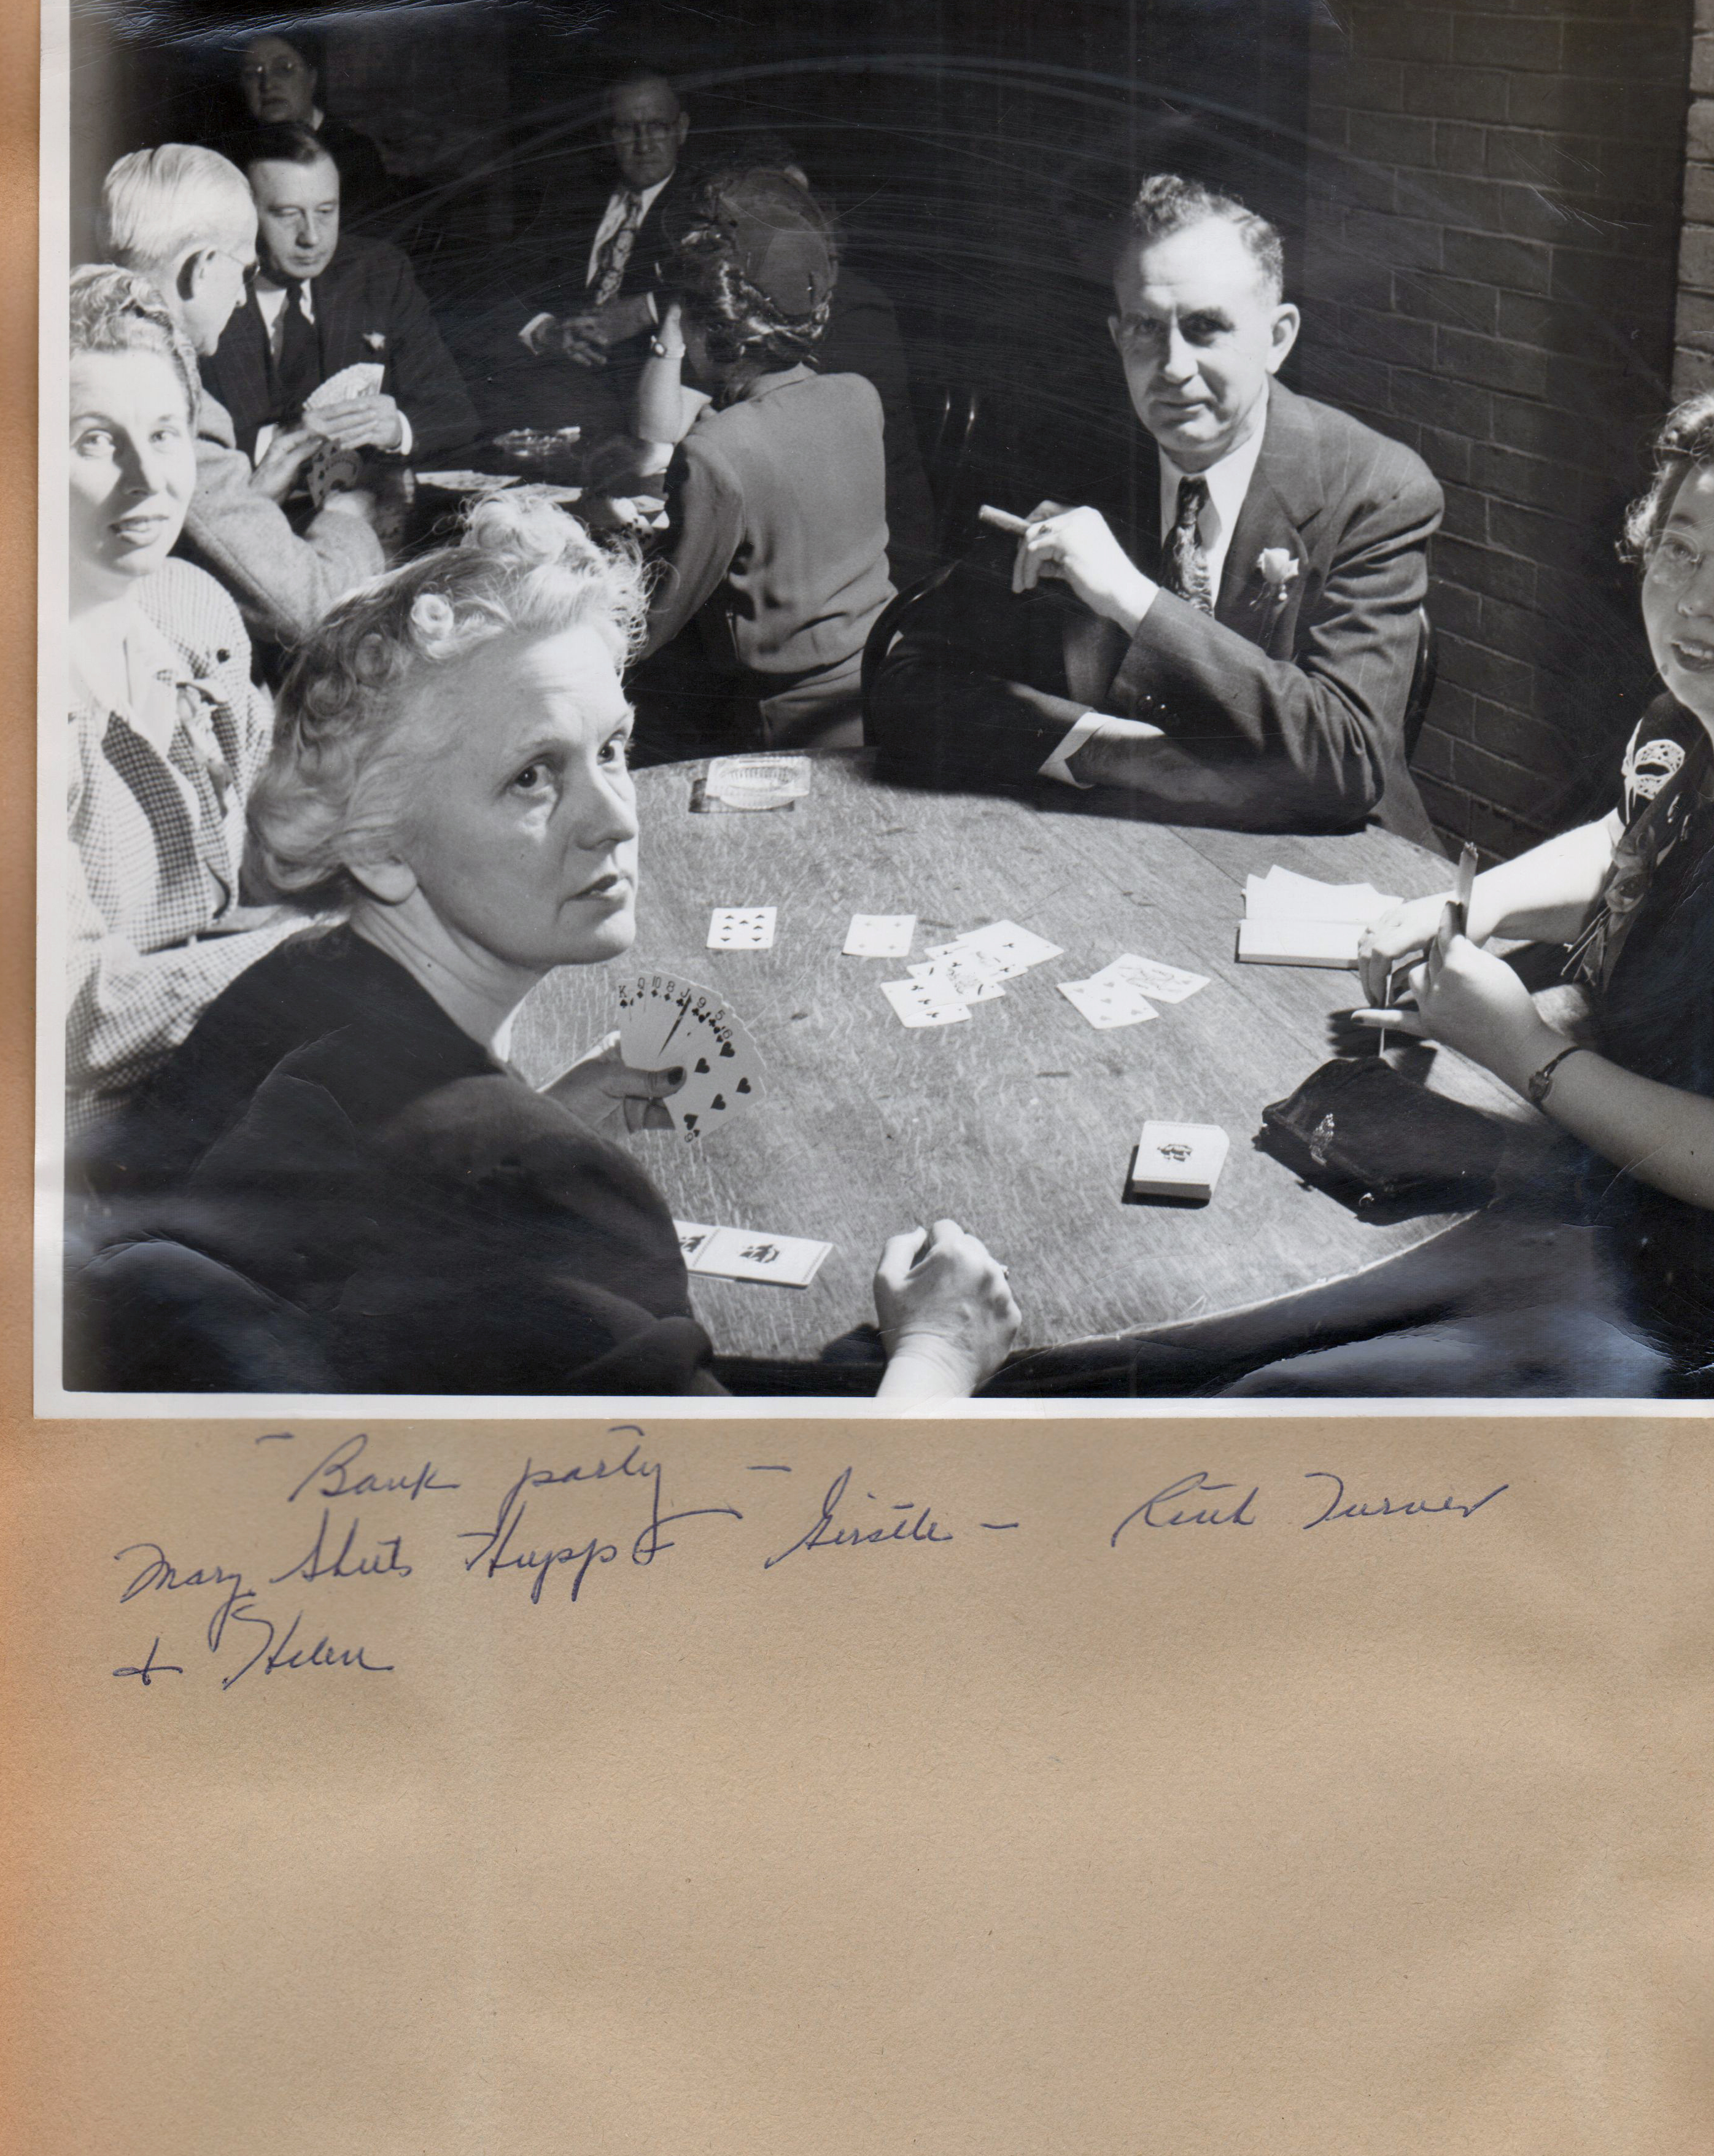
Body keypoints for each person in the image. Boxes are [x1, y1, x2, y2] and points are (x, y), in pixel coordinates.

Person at [988, 379, 1714, 1402]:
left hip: (1709, 1309)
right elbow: (1633, 839)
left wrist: (1519, 1046)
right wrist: (1470, 906)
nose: (1695, 599)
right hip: (1600, 1192)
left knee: (1254, 1401)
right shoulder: (1689, 720)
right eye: (1679, 547)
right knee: (1160, 1350)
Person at [68, 494, 1018, 1402]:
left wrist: (530, 1121)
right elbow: (759, 1544)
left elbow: (352, 1249)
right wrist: (938, 1348)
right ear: (376, 845)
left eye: (612, 749)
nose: (614, 818)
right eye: (532, 776)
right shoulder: (542, 1186)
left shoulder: (285, 987)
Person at [872, 173, 1441, 844]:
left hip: (1324, 864)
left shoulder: (1376, 486)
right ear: (1117, 335)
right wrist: (1109, 750)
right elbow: (908, 686)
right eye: (1146, 328)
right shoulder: (1071, 463)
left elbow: (1347, 764)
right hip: (1124, 846)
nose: (1172, 367)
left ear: (1279, 337)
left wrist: (1133, 599)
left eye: (1206, 329)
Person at [65, 266, 311, 1136]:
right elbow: (75, 1019)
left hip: (222, 1092)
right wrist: (326, 955)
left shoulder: (187, 606)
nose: (147, 480)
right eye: (94, 441)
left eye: (164, 434)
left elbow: (281, 838)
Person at [624, 169, 894, 755]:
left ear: (710, 325)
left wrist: (619, 546)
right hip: (878, 694)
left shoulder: (718, 451)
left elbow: (649, 628)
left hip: (778, 728)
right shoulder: (857, 396)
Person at [98, 144, 385, 664]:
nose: (239, 299)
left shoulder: (89, 345)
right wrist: (349, 517)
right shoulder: (168, 398)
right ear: (201, 270)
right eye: (244, 273)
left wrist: (253, 496)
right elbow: (315, 612)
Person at [629, 139, 937, 586]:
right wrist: (679, 311)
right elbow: (658, 436)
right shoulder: (743, 313)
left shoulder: (846, 310)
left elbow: (755, 451)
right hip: (785, 539)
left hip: (867, 556)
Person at [203, 124, 478, 468]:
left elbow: (454, 410)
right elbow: (182, 446)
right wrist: (284, 440)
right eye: (288, 215)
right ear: (242, 214)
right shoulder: (201, 292)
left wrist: (396, 430)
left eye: (325, 211)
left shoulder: (379, 273)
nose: (312, 238)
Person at [509, 69, 694, 432]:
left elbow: (726, 282)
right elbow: (508, 284)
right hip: (556, 392)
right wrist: (547, 332)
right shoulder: (572, 198)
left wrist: (645, 310)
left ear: (682, 129)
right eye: (627, 129)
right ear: (607, 136)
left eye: (657, 126)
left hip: (649, 399)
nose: (643, 145)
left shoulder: (705, 202)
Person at [225, 26, 395, 232]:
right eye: (252, 74)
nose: (268, 84)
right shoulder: (233, 155)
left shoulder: (354, 153)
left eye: (284, 69)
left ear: (312, 78)